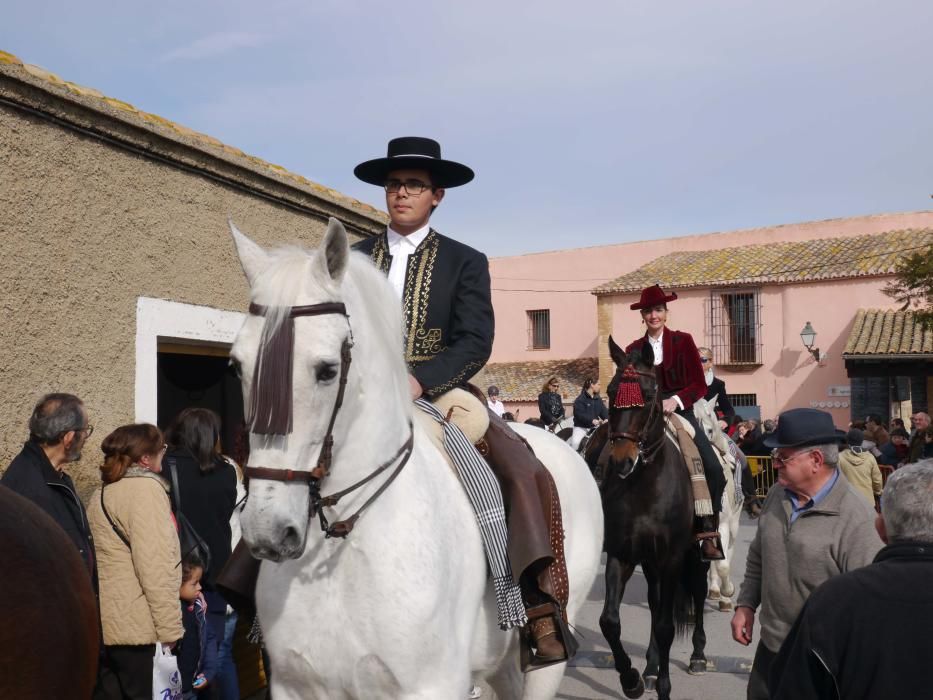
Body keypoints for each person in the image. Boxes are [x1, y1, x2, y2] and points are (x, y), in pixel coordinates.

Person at [352, 137, 574, 665]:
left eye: (414, 185)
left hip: (439, 390)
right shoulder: (356, 256)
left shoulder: (464, 261)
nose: (400, 192)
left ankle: (533, 601)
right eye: (393, 183)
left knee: (520, 465)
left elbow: (474, 340)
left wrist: (418, 380)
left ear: (437, 195)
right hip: (357, 392)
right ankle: (255, 585)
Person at [730, 408, 882, 700]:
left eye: (782, 457)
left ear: (815, 460)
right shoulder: (776, 494)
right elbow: (759, 555)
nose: (775, 464)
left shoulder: (856, 518)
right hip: (770, 652)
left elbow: (869, 609)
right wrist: (746, 604)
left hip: (822, 665)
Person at [769, 460, 933, 699]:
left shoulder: (834, 599)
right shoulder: (834, 599)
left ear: (880, 527)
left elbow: (793, 688)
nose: (777, 461)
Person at [625, 284, 726, 561]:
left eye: (658, 310)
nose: (654, 315)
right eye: (648, 311)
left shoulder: (683, 341)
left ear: (666, 313)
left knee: (714, 469)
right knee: (615, 463)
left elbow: (698, 384)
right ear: (642, 316)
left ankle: (708, 529)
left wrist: (677, 401)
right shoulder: (633, 349)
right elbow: (629, 388)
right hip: (645, 415)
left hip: (681, 411)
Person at [89, 423, 183, 700]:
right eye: (161, 449)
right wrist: (169, 628)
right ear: (145, 458)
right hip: (139, 628)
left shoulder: (102, 492)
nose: (163, 454)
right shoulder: (145, 491)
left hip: (109, 625)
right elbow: (154, 566)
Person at [164, 408, 239, 700]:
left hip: (180, 575)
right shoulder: (228, 471)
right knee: (220, 658)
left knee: (184, 662)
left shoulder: (165, 466)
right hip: (218, 574)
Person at [1, 393, 97, 581]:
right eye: (86, 430)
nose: (86, 437)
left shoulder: (53, 476)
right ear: (69, 438)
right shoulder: (28, 487)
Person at [178, 552, 217, 699]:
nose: (200, 587)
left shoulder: (198, 609)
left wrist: (209, 671)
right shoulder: (169, 613)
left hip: (191, 689)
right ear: (177, 583)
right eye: (194, 583)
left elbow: (210, 638)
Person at [837, 428, 883, 506]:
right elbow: (877, 479)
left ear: (847, 440)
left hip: (847, 501)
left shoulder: (839, 457)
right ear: (862, 441)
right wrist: (878, 492)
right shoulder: (870, 457)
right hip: (867, 501)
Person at [698, 346, 735, 430]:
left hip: (710, 425)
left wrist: (725, 421)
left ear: (710, 362)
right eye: (695, 360)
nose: (698, 363)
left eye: (703, 360)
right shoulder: (685, 382)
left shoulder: (718, 384)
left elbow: (728, 410)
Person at [570, 378, 607, 449]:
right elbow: (579, 414)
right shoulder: (580, 399)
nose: (600, 386)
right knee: (575, 444)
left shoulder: (598, 399)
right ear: (592, 385)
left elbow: (604, 412)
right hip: (581, 428)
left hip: (594, 428)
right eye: (598, 384)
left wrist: (606, 419)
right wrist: (592, 420)